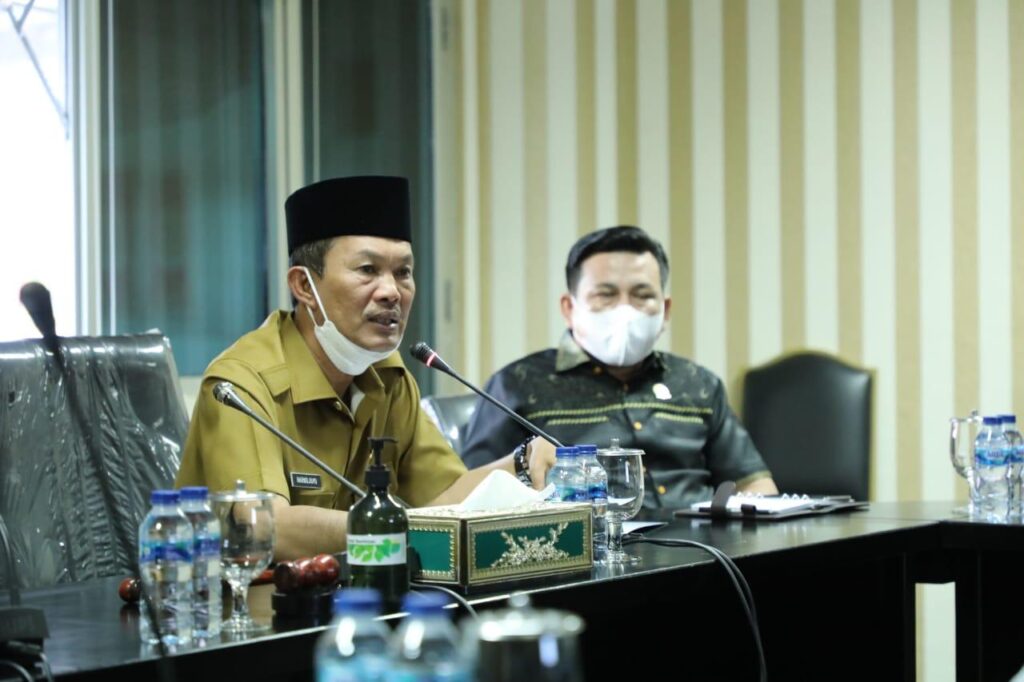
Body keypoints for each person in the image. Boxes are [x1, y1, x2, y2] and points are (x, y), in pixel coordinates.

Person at [175, 176, 556, 559]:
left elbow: (445, 500)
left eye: (403, 272)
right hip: (241, 594)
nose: (391, 292)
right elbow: (264, 526)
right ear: (304, 286)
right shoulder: (239, 384)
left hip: (358, 589)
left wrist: (520, 463)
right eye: (368, 270)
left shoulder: (389, 378)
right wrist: (389, 526)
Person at [461, 225, 777, 510]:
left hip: (706, 546)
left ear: (665, 310)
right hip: (585, 547)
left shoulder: (699, 384)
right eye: (606, 295)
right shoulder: (517, 385)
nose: (625, 310)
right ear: (569, 308)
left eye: (642, 295)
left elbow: (754, 484)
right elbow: (474, 496)